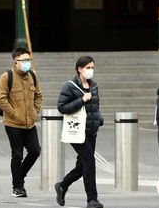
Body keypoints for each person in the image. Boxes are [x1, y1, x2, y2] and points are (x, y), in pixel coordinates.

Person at [55, 56, 104, 208]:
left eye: (92, 67)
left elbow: (96, 106)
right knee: (89, 162)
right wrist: (82, 100)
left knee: (83, 165)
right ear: (79, 69)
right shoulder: (69, 86)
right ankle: (92, 199)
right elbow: (62, 107)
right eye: (88, 67)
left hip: (91, 131)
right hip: (77, 131)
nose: (91, 70)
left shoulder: (94, 86)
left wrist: (99, 118)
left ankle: (62, 185)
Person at [0, 47, 42, 197]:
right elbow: (1, 99)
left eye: (29, 60)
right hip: (13, 124)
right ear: (15, 62)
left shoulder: (32, 76)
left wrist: (35, 111)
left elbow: (38, 95)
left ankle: (19, 176)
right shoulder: (6, 77)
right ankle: (18, 187)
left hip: (30, 123)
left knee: (35, 151)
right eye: (24, 60)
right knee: (17, 155)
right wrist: (14, 114)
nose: (27, 63)